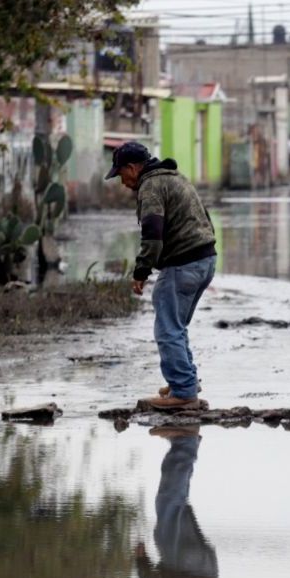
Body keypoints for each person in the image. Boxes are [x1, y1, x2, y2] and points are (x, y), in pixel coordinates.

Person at [107, 142, 217, 411]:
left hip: (184, 263)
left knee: (167, 329)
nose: (122, 182)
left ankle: (183, 391)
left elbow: (152, 233)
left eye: (121, 174)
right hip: (206, 259)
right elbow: (205, 216)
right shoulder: (174, 177)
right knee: (176, 326)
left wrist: (142, 270)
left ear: (133, 168)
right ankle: (186, 381)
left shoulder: (151, 186)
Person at [130, 426, 218, 578]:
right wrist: (142, 562)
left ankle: (187, 445)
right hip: (186, 570)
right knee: (168, 501)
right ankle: (185, 443)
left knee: (177, 503)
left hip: (206, 574)